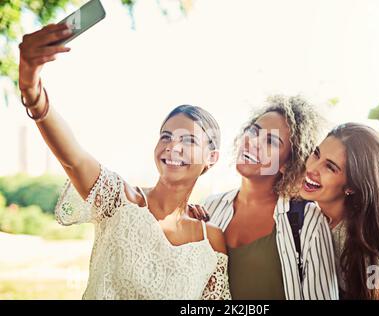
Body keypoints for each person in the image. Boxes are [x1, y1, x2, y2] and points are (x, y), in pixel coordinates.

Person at [18, 23, 230, 300]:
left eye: (189, 140)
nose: (173, 146)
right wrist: (31, 90)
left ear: (211, 158)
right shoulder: (120, 201)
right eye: (166, 136)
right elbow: (73, 158)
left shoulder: (211, 241)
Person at [191, 95, 339, 300]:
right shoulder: (210, 207)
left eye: (271, 142)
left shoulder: (308, 221)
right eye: (253, 131)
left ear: (288, 163)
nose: (253, 143)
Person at [298, 122, 379, 300]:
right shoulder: (313, 213)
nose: (312, 168)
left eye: (330, 167)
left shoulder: (366, 238)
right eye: (316, 154)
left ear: (351, 186)